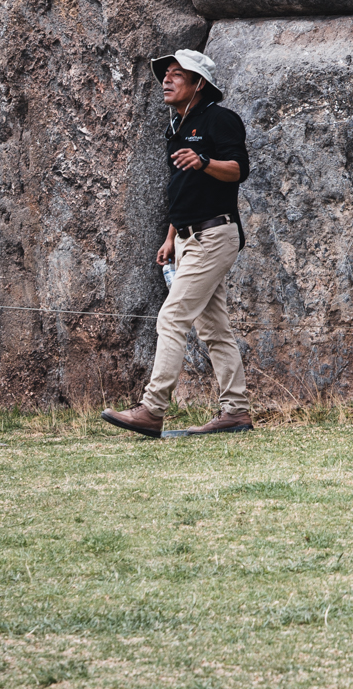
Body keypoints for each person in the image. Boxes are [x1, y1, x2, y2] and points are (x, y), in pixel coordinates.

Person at [102, 49, 253, 438]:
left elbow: (239, 170)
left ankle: (152, 409)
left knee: (171, 317)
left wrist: (204, 161)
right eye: (165, 75)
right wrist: (170, 238)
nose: (166, 80)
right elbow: (181, 191)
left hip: (215, 234)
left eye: (176, 75)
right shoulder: (176, 128)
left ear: (199, 83)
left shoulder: (221, 119)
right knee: (213, 328)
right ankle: (235, 411)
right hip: (188, 238)